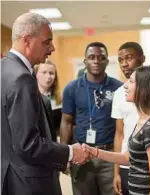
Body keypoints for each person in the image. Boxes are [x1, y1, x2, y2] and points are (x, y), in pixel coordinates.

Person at [1, 12, 87, 195]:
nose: (52, 48)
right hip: (28, 182)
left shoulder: (4, 68)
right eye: (47, 42)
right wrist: (70, 151)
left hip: (11, 176)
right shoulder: (21, 78)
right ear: (27, 41)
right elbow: (28, 144)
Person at [83, 66, 150, 195]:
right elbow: (127, 158)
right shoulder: (142, 122)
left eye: (131, 82)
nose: (125, 86)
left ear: (145, 88)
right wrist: (95, 152)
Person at [60, 42, 122, 195]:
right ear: (85, 61)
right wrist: (63, 154)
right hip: (82, 154)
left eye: (101, 58)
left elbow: (122, 127)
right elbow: (66, 122)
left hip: (109, 155)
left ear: (107, 61)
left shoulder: (119, 88)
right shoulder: (71, 88)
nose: (96, 61)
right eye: (91, 57)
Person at [111, 42, 145, 195]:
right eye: (120, 60)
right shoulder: (120, 93)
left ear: (142, 59)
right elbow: (119, 134)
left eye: (129, 58)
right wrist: (116, 172)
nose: (124, 64)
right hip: (127, 165)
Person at [34, 60, 61, 141]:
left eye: (51, 73)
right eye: (44, 72)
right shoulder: (32, 97)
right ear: (36, 74)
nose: (48, 77)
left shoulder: (59, 99)